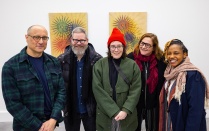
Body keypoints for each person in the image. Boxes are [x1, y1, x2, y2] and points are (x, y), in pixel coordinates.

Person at [1, 25, 66, 131]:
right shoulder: (10, 66)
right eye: (36, 37)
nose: (41, 41)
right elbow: (13, 103)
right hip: (25, 126)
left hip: (50, 124)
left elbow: (61, 92)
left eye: (44, 38)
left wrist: (53, 118)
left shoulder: (54, 62)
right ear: (27, 38)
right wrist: (38, 126)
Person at [92, 27, 142, 131]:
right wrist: (114, 110)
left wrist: (126, 110)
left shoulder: (132, 65)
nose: (116, 49)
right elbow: (97, 89)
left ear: (123, 47)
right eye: (113, 46)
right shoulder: (99, 65)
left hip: (126, 116)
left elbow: (136, 89)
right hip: (105, 115)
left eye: (119, 46)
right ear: (109, 48)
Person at [58, 27, 102, 131]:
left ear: (87, 41)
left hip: (91, 109)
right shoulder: (61, 60)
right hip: (70, 109)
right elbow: (58, 86)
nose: (78, 43)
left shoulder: (97, 60)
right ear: (71, 41)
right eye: (75, 40)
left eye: (82, 40)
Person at [159, 39, 209, 131]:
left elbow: (196, 110)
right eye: (169, 53)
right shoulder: (169, 73)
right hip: (170, 124)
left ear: (185, 54)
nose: (171, 56)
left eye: (176, 53)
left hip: (186, 126)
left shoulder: (193, 75)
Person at [127, 33, 166, 131]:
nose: (143, 46)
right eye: (142, 43)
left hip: (153, 104)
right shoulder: (130, 58)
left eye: (148, 45)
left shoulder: (161, 61)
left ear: (154, 47)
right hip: (135, 104)